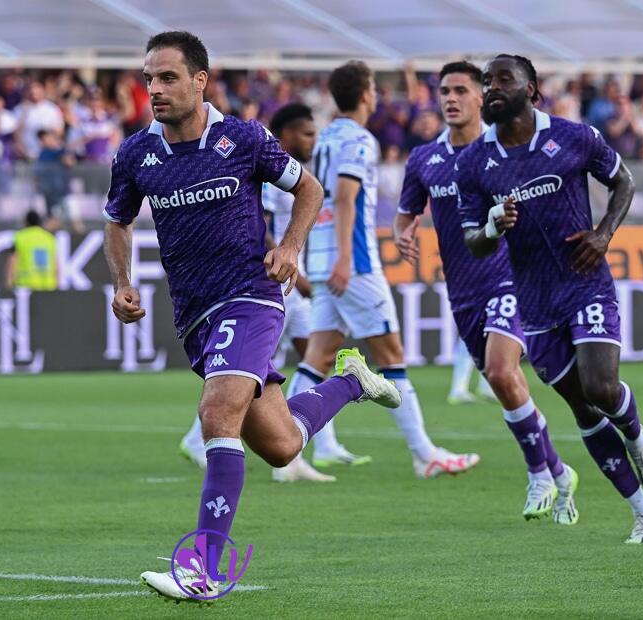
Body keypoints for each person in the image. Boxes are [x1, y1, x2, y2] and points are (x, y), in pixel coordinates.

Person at [106, 32, 400, 603]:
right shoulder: (136, 154)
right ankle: (349, 382)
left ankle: (204, 569)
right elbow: (117, 220)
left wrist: (290, 246)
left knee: (218, 413)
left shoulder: (242, 138)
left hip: (251, 295)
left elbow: (309, 189)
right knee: (282, 446)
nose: (155, 89)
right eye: (148, 79)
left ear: (199, 80)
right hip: (195, 314)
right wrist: (122, 283)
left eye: (167, 78)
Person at [457, 54, 643, 543]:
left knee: (601, 386)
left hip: (585, 282)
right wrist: (491, 225)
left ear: (532, 91)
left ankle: (637, 437)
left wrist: (603, 234)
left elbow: (624, 181)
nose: (492, 88)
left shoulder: (573, 137)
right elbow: (474, 240)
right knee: (583, 410)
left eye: (503, 80)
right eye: (487, 81)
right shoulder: (475, 162)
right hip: (533, 303)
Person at [395, 61, 578, 523]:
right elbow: (407, 211)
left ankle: (538, 473)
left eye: (461, 90)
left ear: (482, 97)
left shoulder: (503, 152)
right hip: (463, 293)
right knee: (507, 387)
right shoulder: (423, 159)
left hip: (510, 279)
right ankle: (558, 470)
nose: (451, 98)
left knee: (500, 372)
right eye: (444, 91)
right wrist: (404, 232)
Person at [299, 60, 479, 478]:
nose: (377, 95)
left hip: (321, 259)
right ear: (365, 94)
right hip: (354, 265)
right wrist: (346, 257)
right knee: (391, 358)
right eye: (374, 89)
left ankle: (289, 454)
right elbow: (344, 196)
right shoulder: (360, 140)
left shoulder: (325, 137)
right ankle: (424, 453)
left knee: (317, 358)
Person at [178, 102, 335, 484]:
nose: (312, 140)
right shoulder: (260, 168)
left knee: (297, 362)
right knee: (273, 366)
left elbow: (308, 198)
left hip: (283, 279)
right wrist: (282, 259)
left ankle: (312, 447)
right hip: (270, 282)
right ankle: (204, 438)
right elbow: (254, 225)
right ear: (288, 133)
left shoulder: (292, 173)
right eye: (307, 133)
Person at [4, 210, 57, 291]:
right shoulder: (49, 238)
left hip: (25, 286)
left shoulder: (20, 237)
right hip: (47, 286)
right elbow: (55, 262)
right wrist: (56, 283)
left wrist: (9, 281)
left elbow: (13, 259)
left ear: (26, 222)